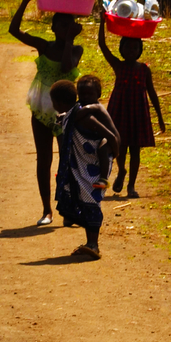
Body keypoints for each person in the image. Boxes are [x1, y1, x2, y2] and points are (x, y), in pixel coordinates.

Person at [9, 0, 84, 226]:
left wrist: (71, 39)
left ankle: (68, 207)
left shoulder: (75, 49)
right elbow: (13, 30)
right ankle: (46, 210)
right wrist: (25, 0)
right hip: (41, 110)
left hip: (65, 114)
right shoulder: (45, 45)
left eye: (68, 26)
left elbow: (65, 68)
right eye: (61, 26)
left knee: (66, 159)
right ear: (52, 28)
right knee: (44, 159)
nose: (64, 30)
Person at [49, 75, 120, 260]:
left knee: (90, 201)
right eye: (83, 94)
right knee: (84, 199)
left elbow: (109, 135)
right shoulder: (74, 113)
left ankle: (93, 244)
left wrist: (116, 149)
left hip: (99, 157)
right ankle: (90, 243)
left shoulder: (87, 114)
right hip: (85, 163)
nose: (86, 97)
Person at [97, 17, 165, 197]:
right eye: (127, 47)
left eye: (135, 48)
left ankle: (131, 186)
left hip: (138, 113)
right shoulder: (118, 66)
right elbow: (102, 46)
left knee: (135, 149)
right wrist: (102, 22)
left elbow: (152, 93)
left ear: (140, 51)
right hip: (120, 112)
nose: (131, 51)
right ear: (121, 49)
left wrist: (159, 116)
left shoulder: (144, 70)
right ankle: (122, 171)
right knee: (120, 147)